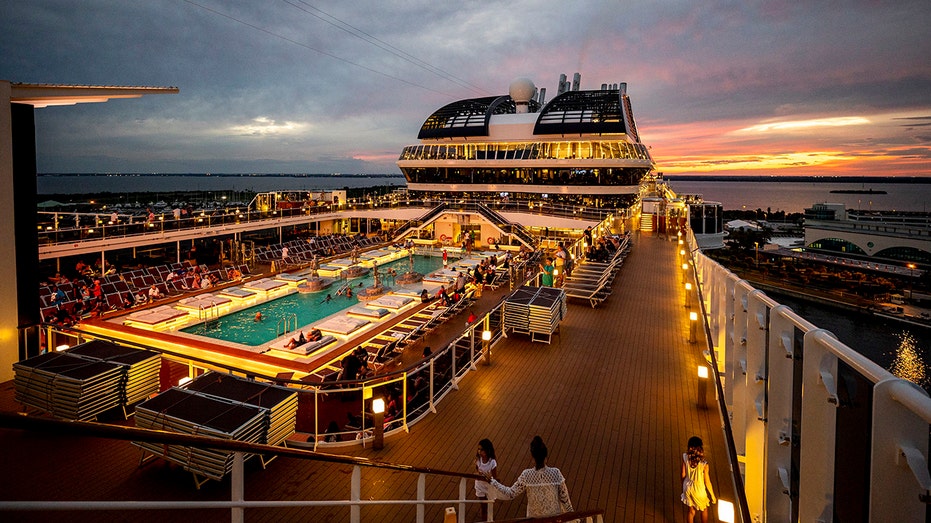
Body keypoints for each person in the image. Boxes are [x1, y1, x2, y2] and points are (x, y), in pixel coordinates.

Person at [487, 435, 572, 518]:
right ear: (545, 457)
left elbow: (510, 493)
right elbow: (565, 500)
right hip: (553, 520)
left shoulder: (526, 475)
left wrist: (492, 481)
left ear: (533, 458)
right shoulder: (555, 473)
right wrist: (575, 517)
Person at [681, 436, 716, 523]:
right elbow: (707, 482)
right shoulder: (704, 464)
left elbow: (683, 474)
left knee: (691, 511)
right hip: (699, 490)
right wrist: (712, 495)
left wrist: (683, 486)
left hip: (687, 486)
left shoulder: (685, 457)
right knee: (704, 509)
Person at [475, 439, 498, 522]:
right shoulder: (478, 460)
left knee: (489, 505)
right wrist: (478, 474)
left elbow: (494, 477)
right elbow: (477, 470)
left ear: (487, 450)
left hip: (489, 486)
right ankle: (485, 520)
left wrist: (489, 478)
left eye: (482, 449)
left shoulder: (492, 462)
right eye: (479, 449)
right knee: (483, 506)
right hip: (480, 486)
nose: (479, 451)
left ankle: (489, 518)